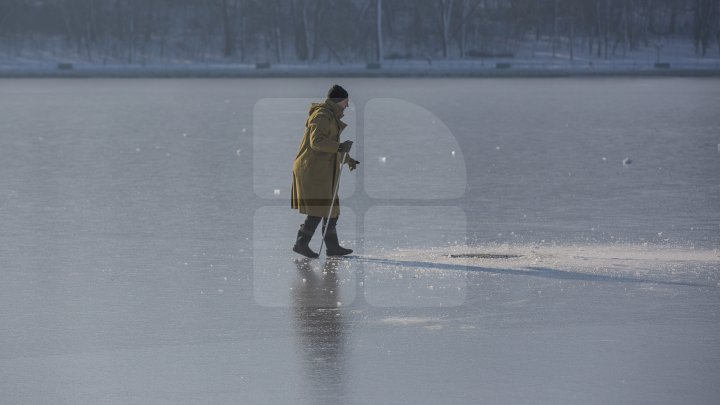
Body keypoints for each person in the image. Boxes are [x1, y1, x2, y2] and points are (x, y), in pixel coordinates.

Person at [291, 84, 359, 258]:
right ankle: (301, 243)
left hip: (323, 170)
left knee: (331, 210)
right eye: (346, 101)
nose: (348, 105)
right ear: (338, 101)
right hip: (313, 171)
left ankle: (332, 246)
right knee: (319, 209)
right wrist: (340, 146)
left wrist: (347, 159)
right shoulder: (322, 116)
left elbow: (331, 148)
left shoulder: (331, 116)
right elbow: (317, 143)